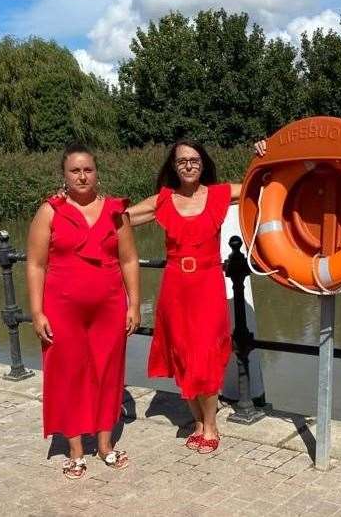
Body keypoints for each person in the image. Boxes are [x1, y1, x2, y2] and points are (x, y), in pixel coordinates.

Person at [126, 140, 257, 454]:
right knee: (182, 355)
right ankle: (197, 422)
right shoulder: (163, 199)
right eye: (182, 160)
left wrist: (259, 154)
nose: (188, 165)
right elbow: (120, 219)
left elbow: (258, 185)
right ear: (174, 165)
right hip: (175, 288)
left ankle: (210, 425)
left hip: (208, 284)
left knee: (206, 356)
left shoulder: (218, 194)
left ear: (203, 162)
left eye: (194, 159)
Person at [26, 143, 141, 479]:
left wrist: (134, 304)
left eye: (87, 169)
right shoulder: (50, 211)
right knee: (67, 372)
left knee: (108, 370)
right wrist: (37, 312)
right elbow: (35, 264)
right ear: (64, 175)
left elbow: (129, 259)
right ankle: (76, 449)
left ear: (97, 173)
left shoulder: (115, 211)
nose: (81, 175)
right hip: (61, 307)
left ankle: (105, 444)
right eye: (74, 170)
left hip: (109, 305)